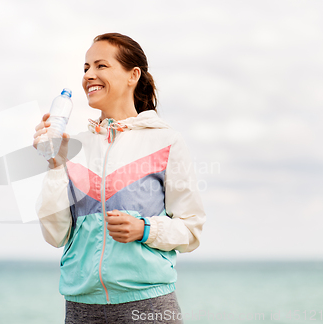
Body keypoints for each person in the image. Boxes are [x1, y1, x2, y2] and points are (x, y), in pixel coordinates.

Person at [33, 32, 206, 324]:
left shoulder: (166, 141)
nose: (89, 75)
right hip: (81, 305)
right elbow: (55, 235)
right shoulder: (72, 147)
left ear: (132, 75)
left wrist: (144, 229)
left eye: (101, 65)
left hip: (148, 305)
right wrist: (55, 164)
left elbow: (191, 231)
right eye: (86, 68)